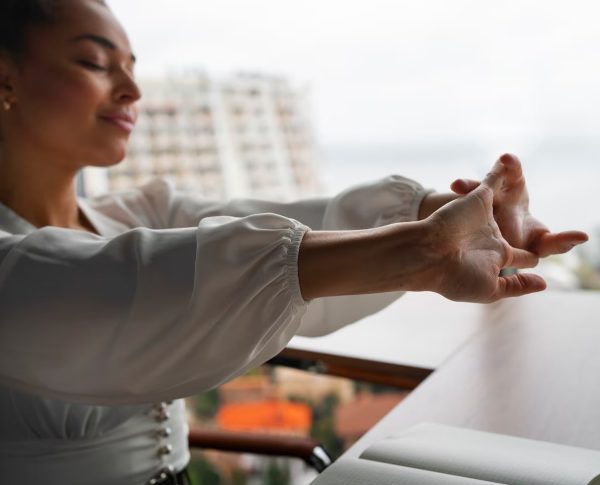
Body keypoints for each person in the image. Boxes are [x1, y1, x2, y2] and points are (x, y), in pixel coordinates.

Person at [0, 0, 589, 484]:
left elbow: (281, 223)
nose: (132, 89)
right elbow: (105, 285)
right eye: (95, 63)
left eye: (131, 65)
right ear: (6, 78)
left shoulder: (139, 212)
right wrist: (423, 249)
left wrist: (455, 216)